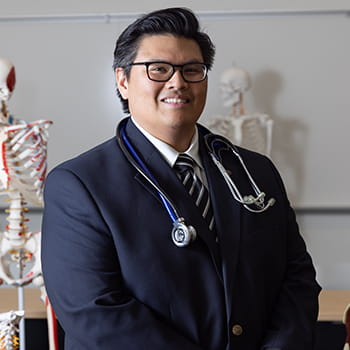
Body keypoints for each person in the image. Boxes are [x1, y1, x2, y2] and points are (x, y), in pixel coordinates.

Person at [41, 7, 321, 350]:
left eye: (192, 70)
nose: (178, 82)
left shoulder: (255, 171)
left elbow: (297, 278)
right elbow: (97, 314)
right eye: (158, 69)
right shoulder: (79, 185)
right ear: (123, 81)